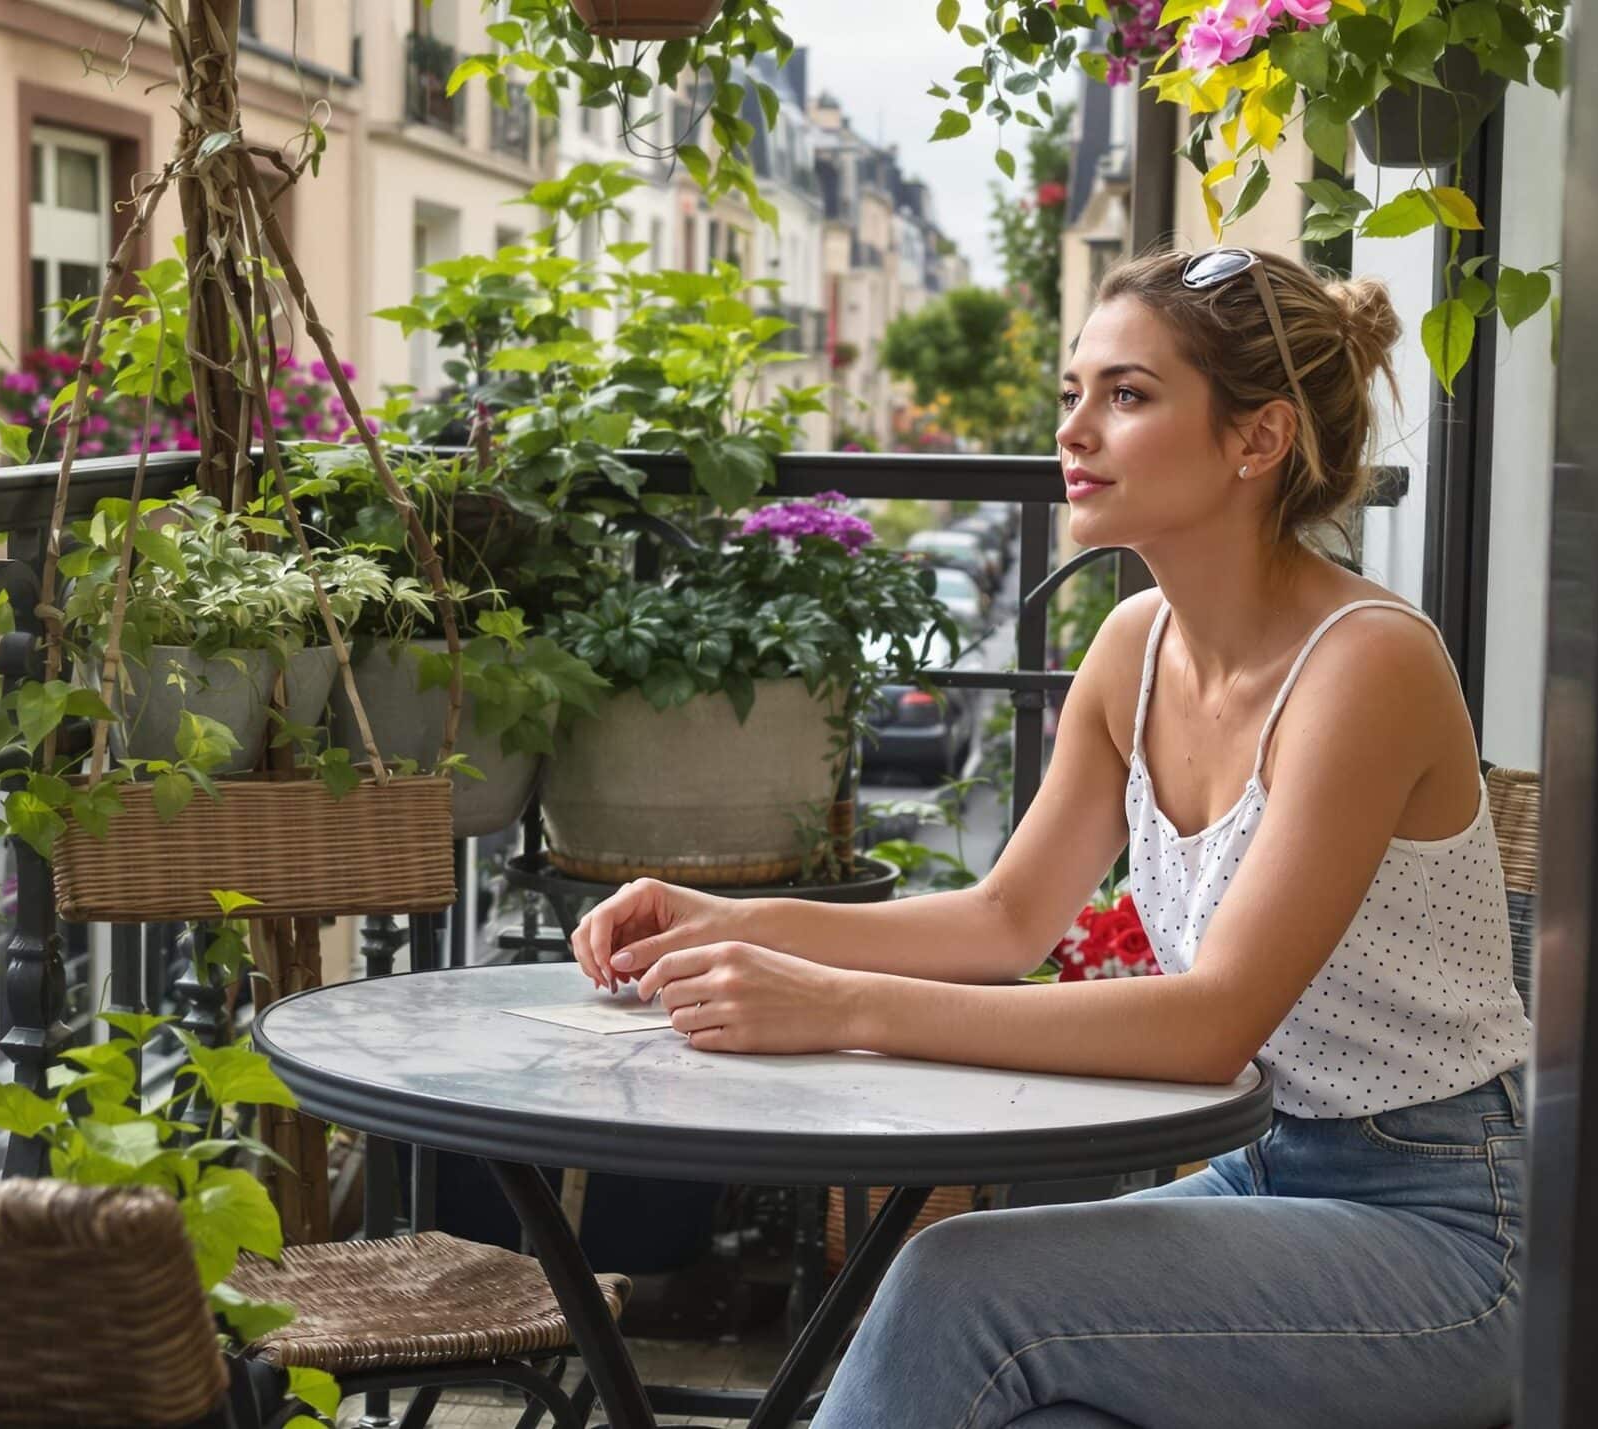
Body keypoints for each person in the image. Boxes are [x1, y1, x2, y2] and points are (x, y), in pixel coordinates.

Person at [568, 247, 1531, 1429]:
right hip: (1265, 1178)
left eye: (1126, 394)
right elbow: (1003, 920)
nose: (1073, 429)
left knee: (955, 1282)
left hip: (1439, 1233)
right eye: (1074, 390)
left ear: (1257, 438)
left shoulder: (1367, 663)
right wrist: (729, 919)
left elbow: (1212, 1021)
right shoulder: (1134, 647)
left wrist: (838, 1002)